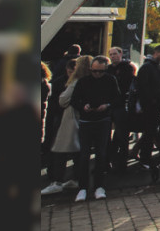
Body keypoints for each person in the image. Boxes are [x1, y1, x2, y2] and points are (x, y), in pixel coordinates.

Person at [71, 55, 120, 201]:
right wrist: (83, 106)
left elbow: (117, 98)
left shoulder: (110, 80)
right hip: (86, 121)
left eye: (100, 71)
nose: (97, 74)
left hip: (103, 120)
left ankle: (99, 186)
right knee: (84, 156)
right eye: (94, 71)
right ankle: (83, 188)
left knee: (101, 154)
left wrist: (107, 105)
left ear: (106, 69)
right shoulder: (83, 81)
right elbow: (74, 100)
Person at [41, 58, 84, 195]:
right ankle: (68, 178)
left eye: (72, 71)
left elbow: (62, 101)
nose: (70, 73)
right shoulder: (62, 81)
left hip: (66, 118)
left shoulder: (73, 82)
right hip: (65, 118)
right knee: (71, 150)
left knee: (60, 149)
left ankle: (58, 180)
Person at [134, 44, 160, 171]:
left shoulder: (159, 67)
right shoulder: (147, 67)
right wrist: (151, 101)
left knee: (152, 131)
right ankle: (145, 158)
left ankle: (142, 154)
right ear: (156, 53)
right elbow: (142, 87)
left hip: (157, 105)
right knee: (149, 132)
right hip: (150, 106)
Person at [106, 46, 136, 173]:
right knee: (107, 135)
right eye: (110, 54)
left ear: (120, 54)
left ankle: (121, 163)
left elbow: (125, 85)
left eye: (114, 54)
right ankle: (107, 161)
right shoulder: (108, 69)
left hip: (121, 105)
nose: (112, 56)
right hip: (109, 105)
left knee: (122, 135)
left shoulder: (127, 67)